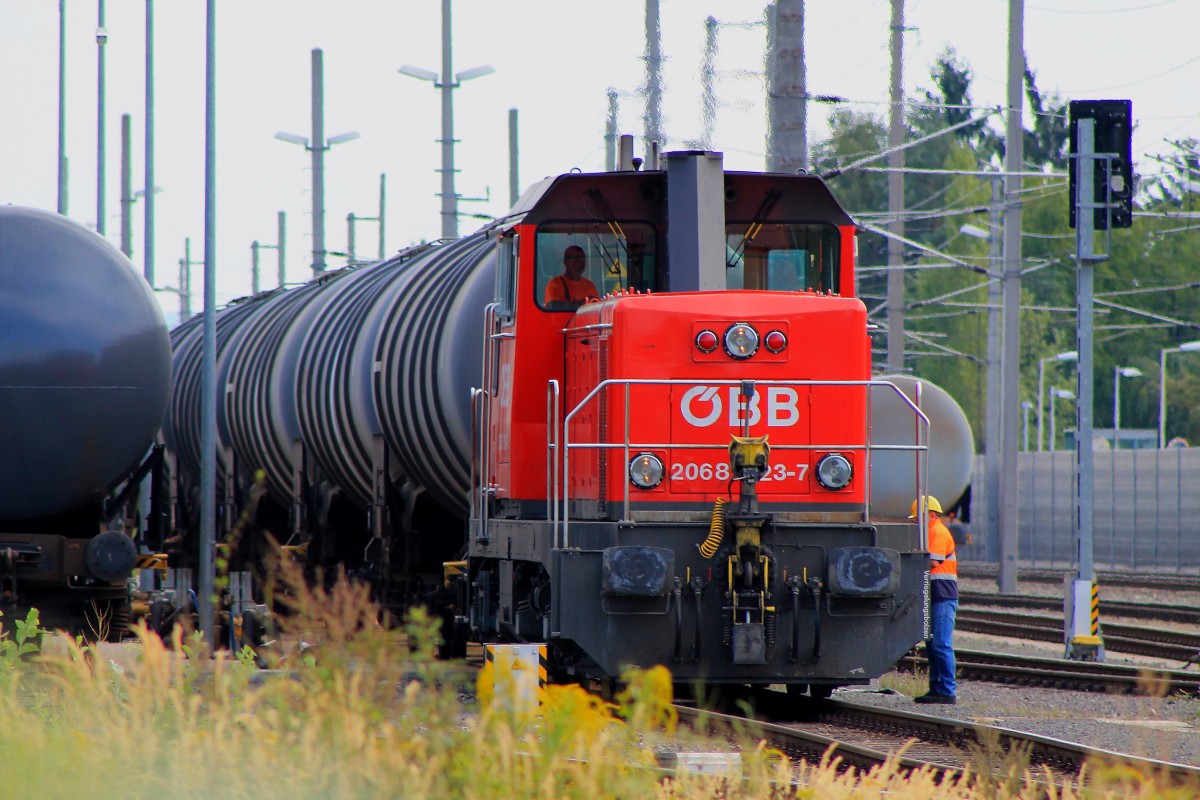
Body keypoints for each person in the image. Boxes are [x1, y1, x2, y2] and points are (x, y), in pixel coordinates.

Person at [910, 495, 958, 705]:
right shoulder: (928, 532)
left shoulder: (938, 532)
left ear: (930, 515)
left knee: (940, 644)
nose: (915, 522)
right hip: (933, 595)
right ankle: (936, 688)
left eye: (917, 517)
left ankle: (947, 690)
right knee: (932, 645)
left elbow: (933, 562)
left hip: (943, 595)